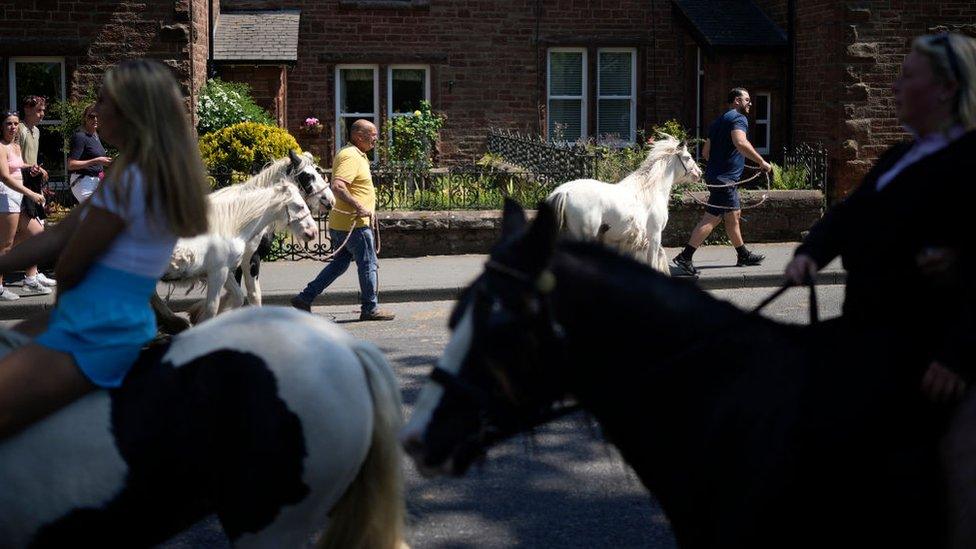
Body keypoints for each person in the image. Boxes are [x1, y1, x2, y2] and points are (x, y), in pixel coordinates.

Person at [783, 33, 976, 547]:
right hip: (869, 332)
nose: (894, 86)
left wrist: (957, 356)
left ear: (945, 88)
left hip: (928, 351)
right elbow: (848, 215)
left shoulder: (969, 161)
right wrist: (809, 254)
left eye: (908, 75)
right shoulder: (899, 155)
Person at [0, 59, 210, 439]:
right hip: (111, 320)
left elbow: (70, 261)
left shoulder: (132, 177)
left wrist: (63, 317)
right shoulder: (141, 169)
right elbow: (60, 235)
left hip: (96, 329)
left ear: (133, 111)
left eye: (103, 101)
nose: (95, 110)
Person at [290, 119, 394, 321]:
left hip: (342, 224)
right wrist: (360, 206)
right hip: (355, 225)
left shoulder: (355, 155)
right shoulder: (350, 156)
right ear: (358, 136)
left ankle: (305, 297)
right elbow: (338, 187)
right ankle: (370, 308)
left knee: (339, 264)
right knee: (368, 264)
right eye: (372, 135)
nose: (375, 139)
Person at [673, 88, 772, 276]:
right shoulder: (738, 119)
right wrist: (761, 162)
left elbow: (705, 153)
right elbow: (740, 143)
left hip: (717, 177)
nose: (750, 103)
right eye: (747, 100)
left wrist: (720, 165)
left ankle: (742, 254)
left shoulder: (718, 122)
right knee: (712, 218)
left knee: (733, 215)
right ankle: (685, 257)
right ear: (736, 101)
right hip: (726, 181)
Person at [0, 111, 46, 301]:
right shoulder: (1, 147)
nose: (13, 127)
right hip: (6, 195)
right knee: (5, 244)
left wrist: (34, 168)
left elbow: (18, 167)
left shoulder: (16, 146)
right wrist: (31, 194)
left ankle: (28, 278)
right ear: (1, 126)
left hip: (19, 195)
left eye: (16, 123)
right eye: (9, 124)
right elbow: (5, 176)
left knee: (36, 233)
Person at [16, 95, 57, 293]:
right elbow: (14, 160)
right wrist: (33, 170)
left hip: (33, 184)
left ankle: (33, 272)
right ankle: (31, 276)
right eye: (39, 110)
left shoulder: (36, 131)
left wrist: (38, 173)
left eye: (43, 110)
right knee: (31, 231)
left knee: (31, 231)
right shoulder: (20, 130)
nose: (42, 114)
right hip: (20, 185)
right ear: (27, 109)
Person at [68, 104, 112, 203]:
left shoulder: (95, 136)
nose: (95, 119)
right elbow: (71, 165)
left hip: (97, 181)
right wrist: (97, 160)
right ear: (85, 118)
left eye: (98, 116)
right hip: (84, 182)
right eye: (91, 116)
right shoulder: (80, 137)